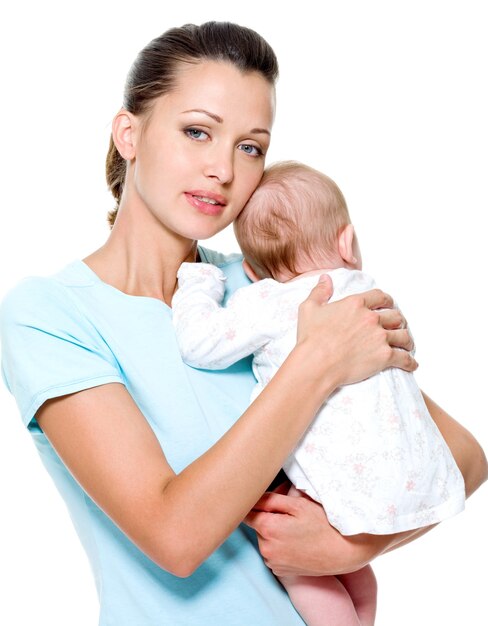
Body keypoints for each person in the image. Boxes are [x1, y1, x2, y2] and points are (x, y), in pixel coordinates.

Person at [0, 21, 485, 626]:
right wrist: (317, 362)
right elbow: (174, 536)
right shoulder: (51, 315)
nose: (223, 171)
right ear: (129, 133)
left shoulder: (269, 287)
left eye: (250, 146)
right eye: (197, 132)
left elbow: (462, 457)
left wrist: (351, 546)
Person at [172, 160, 467, 625]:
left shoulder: (267, 299)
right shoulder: (368, 293)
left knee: (302, 574)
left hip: (328, 482)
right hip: (405, 469)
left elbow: (201, 345)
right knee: (359, 574)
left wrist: (197, 284)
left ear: (250, 270)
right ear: (346, 242)